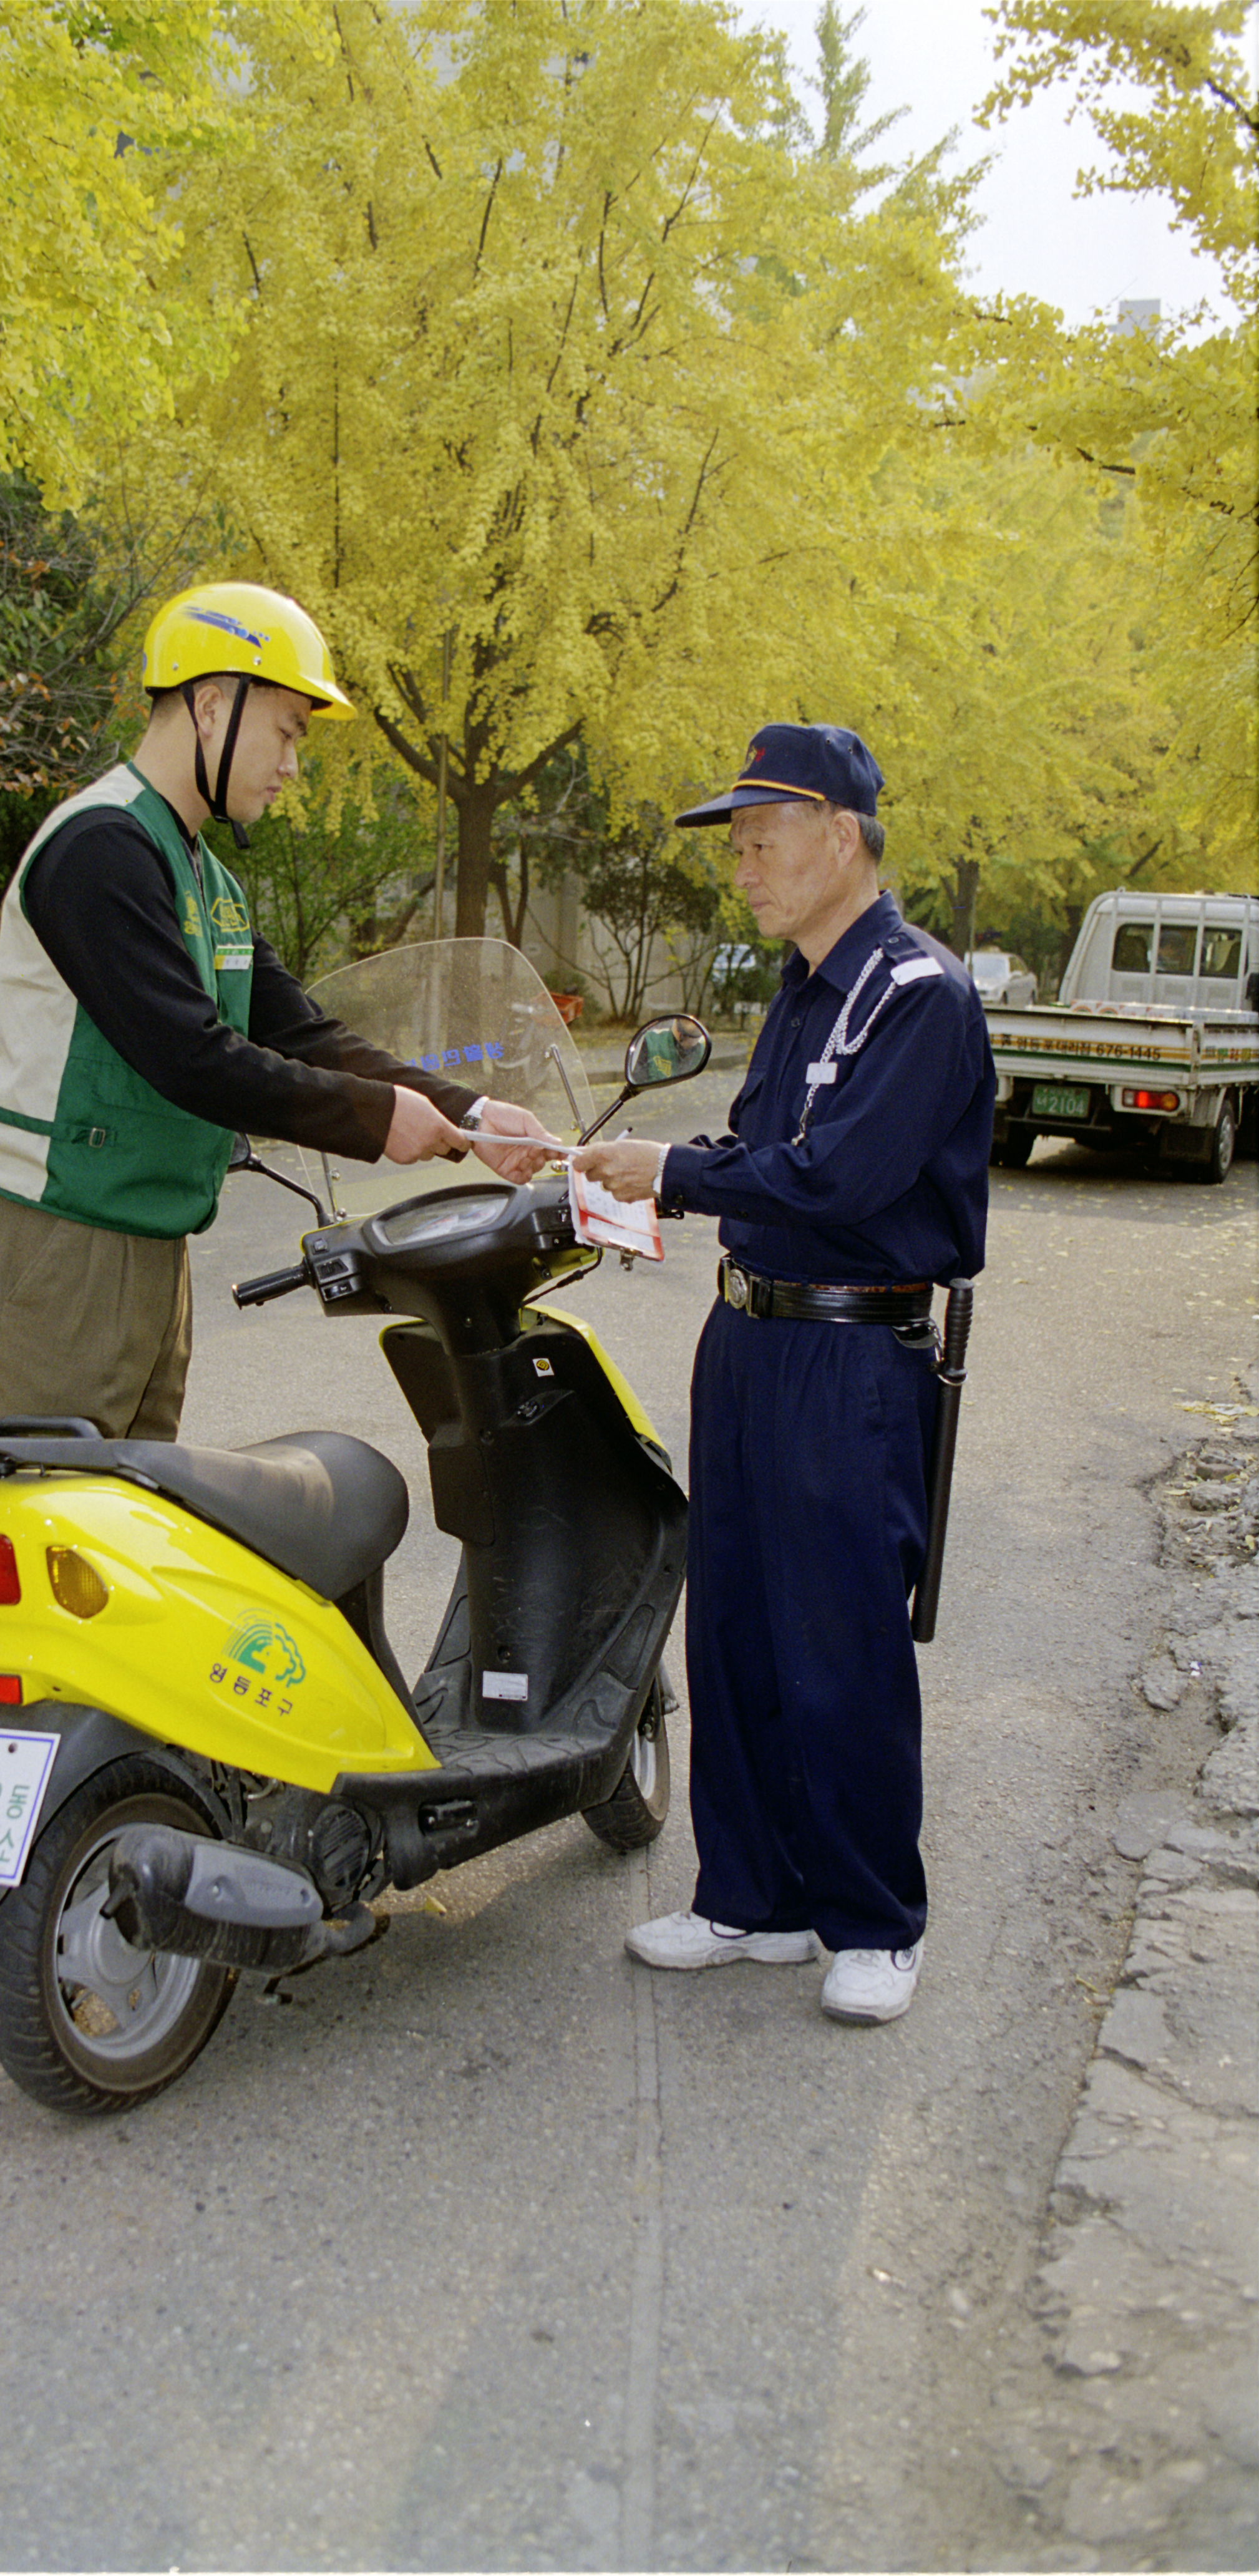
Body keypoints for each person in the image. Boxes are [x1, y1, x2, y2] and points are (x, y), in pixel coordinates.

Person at [573, 723, 994, 2025]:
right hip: (750, 1338)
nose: (743, 861)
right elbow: (765, 1143)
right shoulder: (807, 988)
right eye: (738, 841)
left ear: (839, 831)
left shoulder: (915, 994)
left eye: (762, 834)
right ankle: (749, 1894)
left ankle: (871, 1918)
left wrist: (676, 1174)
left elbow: (836, 1177)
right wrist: (638, 1162)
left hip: (847, 1351)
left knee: (840, 1638)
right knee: (741, 1620)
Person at [0, 580, 555, 1441]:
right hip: (53, 1241)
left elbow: (298, 1030)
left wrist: (471, 1114)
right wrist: (376, 1119)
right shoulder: (99, 847)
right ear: (211, 703)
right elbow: (190, 1055)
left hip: (146, 1244)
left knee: (122, 1539)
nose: (294, 764)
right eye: (288, 730)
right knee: (28, 1528)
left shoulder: (206, 880)